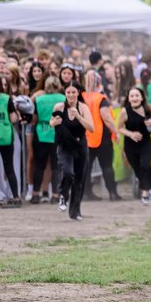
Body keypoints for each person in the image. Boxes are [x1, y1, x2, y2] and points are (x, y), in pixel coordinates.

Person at [50, 81, 95, 220]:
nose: (70, 95)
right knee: (68, 172)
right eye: (68, 92)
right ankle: (63, 195)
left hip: (80, 145)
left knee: (79, 179)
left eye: (73, 92)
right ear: (65, 93)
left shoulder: (83, 107)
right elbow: (51, 122)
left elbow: (91, 128)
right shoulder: (59, 106)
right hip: (64, 145)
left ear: (78, 93)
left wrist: (78, 117)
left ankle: (75, 211)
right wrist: (53, 123)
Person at [81, 71, 120, 201]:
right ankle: (113, 193)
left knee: (86, 167)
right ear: (99, 82)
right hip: (102, 138)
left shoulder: (81, 97)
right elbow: (106, 117)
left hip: (86, 137)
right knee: (107, 166)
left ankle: (87, 193)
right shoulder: (100, 98)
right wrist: (116, 131)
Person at [119, 87, 151, 205]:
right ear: (128, 99)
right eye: (132, 96)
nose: (134, 98)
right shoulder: (124, 111)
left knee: (146, 165)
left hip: (145, 141)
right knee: (137, 168)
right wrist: (131, 134)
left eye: (137, 96)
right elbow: (119, 128)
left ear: (142, 98)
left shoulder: (148, 109)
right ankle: (148, 187)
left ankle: (145, 192)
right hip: (130, 144)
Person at [31, 75, 64, 204]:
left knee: (40, 165)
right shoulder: (63, 98)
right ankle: (55, 195)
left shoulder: (39, 99)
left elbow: (34, 119)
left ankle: (35, 194)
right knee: (56, 166)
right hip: (57, 134)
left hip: (42, 133)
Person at [0, 77, 21, 207]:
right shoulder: (6, 98)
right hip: (5, 137)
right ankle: (16, 197)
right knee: (9, 168)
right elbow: (13, 119)